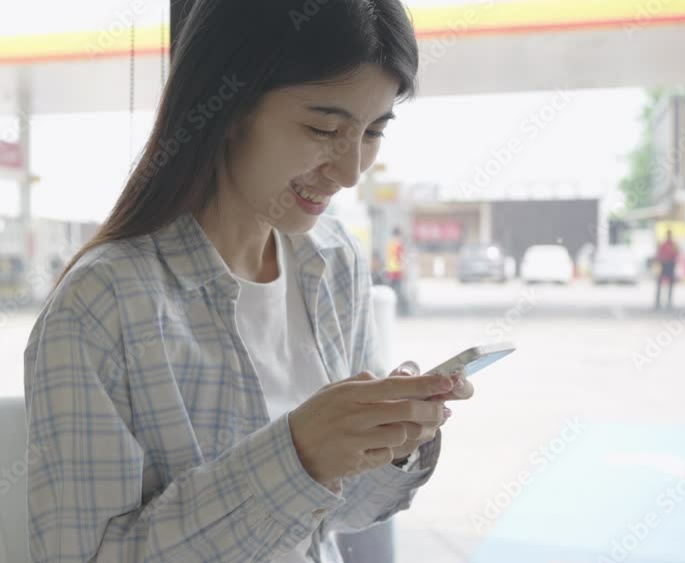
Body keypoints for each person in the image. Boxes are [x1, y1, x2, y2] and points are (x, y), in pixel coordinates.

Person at [23, 2, 475, 562]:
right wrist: (297, 457)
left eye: (374, 132)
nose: (351, 170)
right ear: (227, 106)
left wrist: (396, 438)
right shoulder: (105, 305)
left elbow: (340, 515)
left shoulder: (334, 262)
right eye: (324, 128)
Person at [385, 228, 409, 315]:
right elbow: (401, 258)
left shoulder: (390, 244)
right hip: (397, 271)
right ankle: (400, 309)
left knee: (392, 290)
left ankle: (391, 308)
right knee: (399, 291)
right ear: (398, 235)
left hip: (391, 271)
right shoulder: (399, 245)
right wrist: (404, 270)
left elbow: (388, 257)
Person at [654, 230, 678, 310]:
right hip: (664, 265)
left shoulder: (674, 245)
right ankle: (657, 301)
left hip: (670, 265)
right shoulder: (663, 244)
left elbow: (677, 254)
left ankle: (669, 301)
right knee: (659, 283)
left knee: (671, 284)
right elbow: (659, 254)